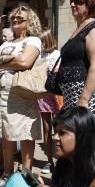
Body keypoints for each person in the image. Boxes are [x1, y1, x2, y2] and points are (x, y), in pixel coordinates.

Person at [0, 5, 42, 180]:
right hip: (2, 90)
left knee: (25, 132)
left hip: (20, 89)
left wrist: (0, 63)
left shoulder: (33, 41)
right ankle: (7, 172)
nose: (16, 21)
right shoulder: (7, 43)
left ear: (30, 21)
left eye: (21, 19)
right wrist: (10, 59)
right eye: (14, 19)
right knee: (6, 133)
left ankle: (27, 172)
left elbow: (25, 62)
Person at [57, 0, 95, 117]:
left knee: (82, 134)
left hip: (83, 93)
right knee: (73, 134)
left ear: (89, 4)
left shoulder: (94, 29)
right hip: (71, 94)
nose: (73, 4)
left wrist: (84, 99)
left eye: (78, 1)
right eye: (71, 1)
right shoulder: (80, 28)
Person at [37, 29, 60, 174]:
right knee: (46, 128)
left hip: (57, 94)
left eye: (43, 40)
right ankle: (49, 161)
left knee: (59, 127)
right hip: (43, 93)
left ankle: (61, 159)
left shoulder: (58, 54)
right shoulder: (40, 55)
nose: (41, 44)